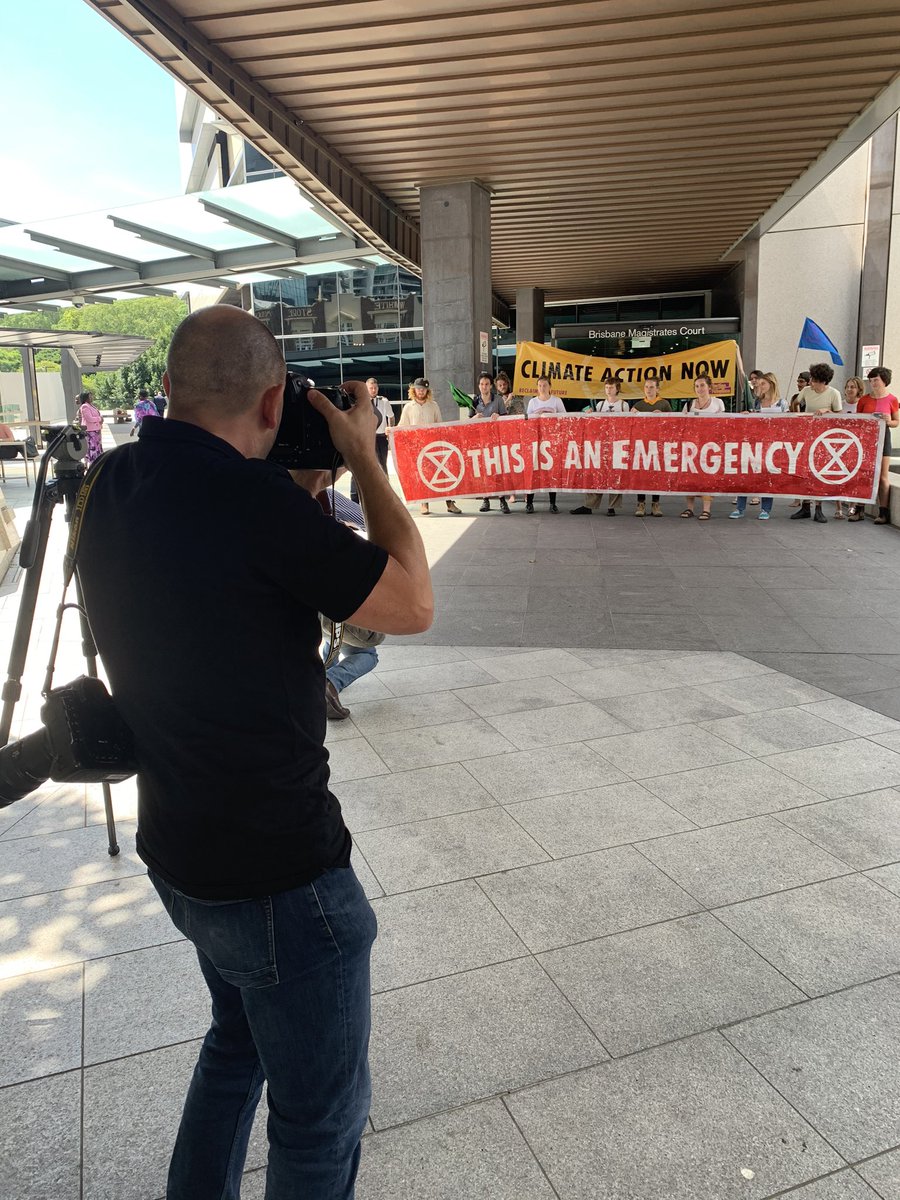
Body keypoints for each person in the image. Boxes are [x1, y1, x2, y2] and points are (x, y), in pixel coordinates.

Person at [76, 305, 433, 1200]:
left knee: (234, 1045)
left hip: (180, 849)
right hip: (282, 875)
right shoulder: (256, 502)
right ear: (275, 404)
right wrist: (362, 456)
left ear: (167, 387)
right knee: (318, 1123)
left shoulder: (110, 479)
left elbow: (219, 587)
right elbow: (410, 602)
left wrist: (299, 498)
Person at [396, 377, 463, 515]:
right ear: (414, 390)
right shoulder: (408, 407)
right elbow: (402, 426)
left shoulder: (434, 405)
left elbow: (440, 425)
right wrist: (392, 431)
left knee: (443, 474)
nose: (421, 391)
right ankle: (424, 504)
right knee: (422, 475)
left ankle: (450, 503)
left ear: (427, 390)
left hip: (433, 446)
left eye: (423, 389)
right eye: (419, 388)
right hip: (417, 447)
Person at [790, 362, 843, 523]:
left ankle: (818, 508)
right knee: (804, 470)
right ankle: (805, 506)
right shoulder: (806, 391)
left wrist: (828, 411)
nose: (810, 382)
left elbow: (840, 416)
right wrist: (797, 416)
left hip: (824, 437)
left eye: (813, 379)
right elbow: (795, 403)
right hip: (807, 433)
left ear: (822, 381)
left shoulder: (834, 394)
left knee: (819, 470)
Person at [729, 372, 786, 520]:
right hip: (756, 442)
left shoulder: (782, 403)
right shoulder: (757, 402)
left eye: (763, 384)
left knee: (767, 475)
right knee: (746, 473)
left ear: (771, 384)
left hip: (772, 443)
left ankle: (765, 509)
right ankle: (740, 508)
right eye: (759, 384)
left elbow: (788, 424)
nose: (760, 386)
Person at [570, 379, 629, 514]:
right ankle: (589, 505)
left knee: (615, 473)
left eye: (611, 387)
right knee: (595, 473)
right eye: (607, 387)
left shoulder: (623, 405)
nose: (608, 390)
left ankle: (612, 506)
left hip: (617, 443)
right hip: (601, 444)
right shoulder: (601, 404)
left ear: (617, 389)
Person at [852, 366, 900, 525]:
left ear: (884, 381)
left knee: (882, 476)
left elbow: (896, 422)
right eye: (871, 380)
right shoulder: (864, 400)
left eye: (876, 380)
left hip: (884, 436)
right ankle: (859, 509)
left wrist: (888, 420)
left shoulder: (892, 399)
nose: (873, 383)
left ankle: (883, 511)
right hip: (866, 437)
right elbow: (857, 421)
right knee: (864, 472)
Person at [681, 375, 725, 520]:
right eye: (697, 386)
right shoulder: (688, 404)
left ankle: (706, 509)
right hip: (692, 445)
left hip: (710, 445)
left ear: (709, 387)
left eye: (702, 385)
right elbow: (682, 425)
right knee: (690, 476)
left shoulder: (718, 403)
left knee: (707, 476)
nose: (699, 388)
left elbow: (725, 424)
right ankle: (689, 508)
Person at [631, 377, 672, 516]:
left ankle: (656, 504)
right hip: (642, 444)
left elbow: (674, 424)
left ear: (657, 389)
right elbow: (629, 424)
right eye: (647, 387)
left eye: (652, 387)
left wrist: (664, 417)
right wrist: (631, 415)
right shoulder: (638, 405)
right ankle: (640, 503)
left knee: (656, 473)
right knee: (641, 473)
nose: (649, 389)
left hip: (658, 443)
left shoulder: (664, 404)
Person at [525, 375, 565, 512]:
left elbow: (564, 418)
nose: (542, 388)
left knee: (551, 471)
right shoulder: (533, 402)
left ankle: (552, 503)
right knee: (533, 471)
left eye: (545, 385)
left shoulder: (556, 401)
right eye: (540, 385)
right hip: (535, 441)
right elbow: (527, 422)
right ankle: (529, 503)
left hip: (552, 441)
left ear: (550, 386)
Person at [350, 377, 393, 502]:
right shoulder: (360, 402)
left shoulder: (384, 401)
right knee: (362, 465)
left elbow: (391, 416)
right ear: (366, 389)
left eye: (375, 388)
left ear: (377, 388)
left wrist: (390, 429)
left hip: (380, 438)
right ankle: (356, 497)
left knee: (382, 465)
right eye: (371, 388)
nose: (373, 390)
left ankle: (385, 495)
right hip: (365, 438)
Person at [473, 371, 510, 513]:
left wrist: (499, 416)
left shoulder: (498, 400)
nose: (484, 387)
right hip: (481, 441)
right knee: (483, 471)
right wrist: (475, 417)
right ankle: (485, 500)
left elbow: (507, 421)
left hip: (496, 440)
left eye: (487, 384)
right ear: (479, 386)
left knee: (498, 470)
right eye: (482, 384)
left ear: (491, 386)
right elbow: (468, 423)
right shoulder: (475, 401)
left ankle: (502, 501)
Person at [77, 389, 104, 466]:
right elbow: (89, 418)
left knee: (97, 447)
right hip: (90, 431)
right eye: (89, 396)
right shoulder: (85, 406)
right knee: (92, 448)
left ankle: (97, 462)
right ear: (85, 398)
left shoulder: (91, 405)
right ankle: (93, 464)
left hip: (96, 430)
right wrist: (99, 419)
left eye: (91, 396)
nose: (91, 398)